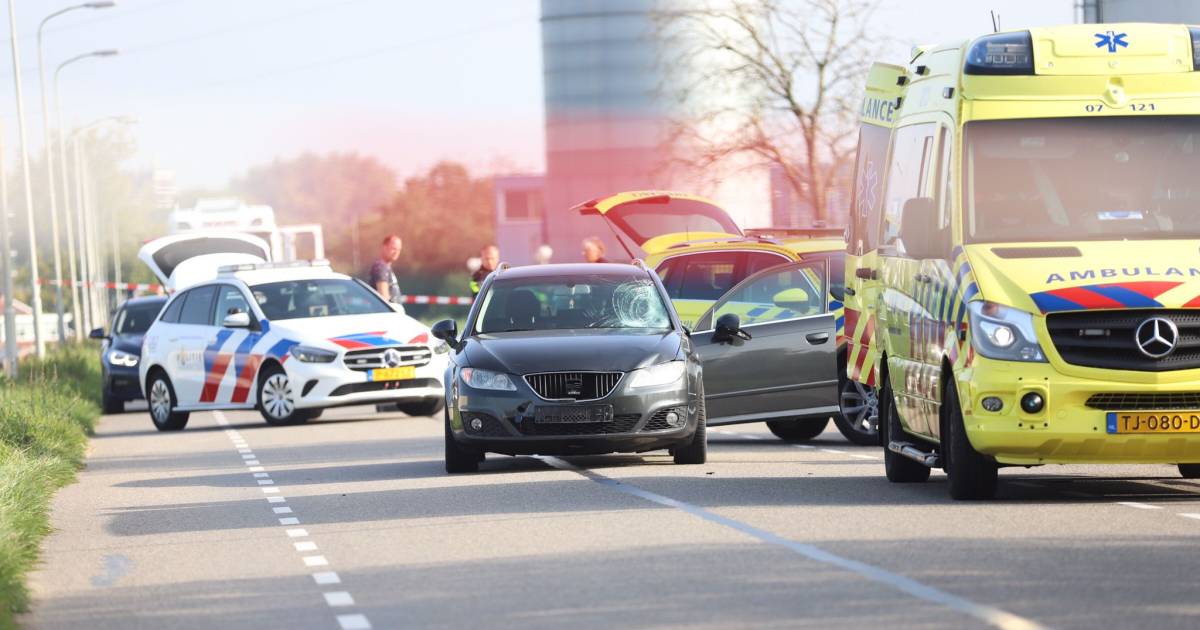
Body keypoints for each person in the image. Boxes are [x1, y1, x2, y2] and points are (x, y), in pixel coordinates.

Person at [369, 234, 403, 303]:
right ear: (384, 247)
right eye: (393, 249)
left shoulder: (386, 267)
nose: (396, 252)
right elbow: (384, 297)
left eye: (399, 250)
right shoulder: (381, 267)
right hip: (389, 312)